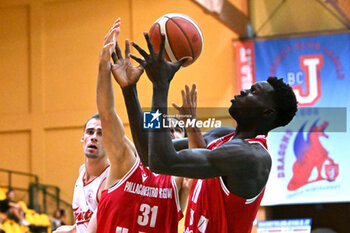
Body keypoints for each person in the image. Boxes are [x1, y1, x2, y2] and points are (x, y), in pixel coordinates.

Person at [125, 33, 298, 233]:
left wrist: (160, 86)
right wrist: (130, 90)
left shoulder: (252, 157)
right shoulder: (220, 136)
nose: (243, 92)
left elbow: (162, 162)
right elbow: (148, 154)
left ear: (267, 112)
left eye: (253, 92)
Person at [87, 18, 194, 233]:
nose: (171, 133)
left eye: (176, 130)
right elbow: (106, 115)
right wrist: (103, 66)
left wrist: (191, 124)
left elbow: (197, 164)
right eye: (165, 129)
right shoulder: (125, 162)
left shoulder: (178, 180)